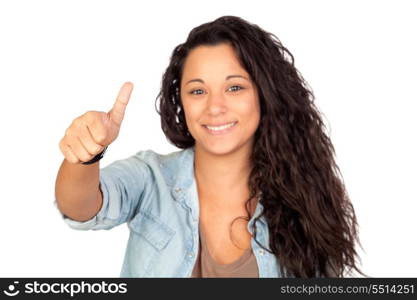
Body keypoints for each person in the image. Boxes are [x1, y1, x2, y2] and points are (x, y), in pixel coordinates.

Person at [54, 15, 365, 278]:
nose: (215, 107)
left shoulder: (303, 194)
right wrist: (85, 156)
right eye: (198, 90)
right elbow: (80, 207)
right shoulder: (152, 178)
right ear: (182, 102)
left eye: (234, 87)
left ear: (264, 94)